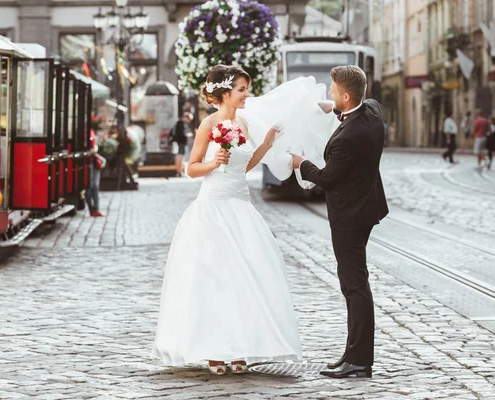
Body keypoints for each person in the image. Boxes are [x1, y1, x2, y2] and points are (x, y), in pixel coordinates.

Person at [152, 65, 302, 376]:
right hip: (212, 208)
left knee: (245, 279)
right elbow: (191, 168)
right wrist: (212, 162)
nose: (247, 95)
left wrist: (266, 144)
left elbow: (244, 167)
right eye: (242, 90)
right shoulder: (208, 123)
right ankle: (214, 353)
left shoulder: (244, 124)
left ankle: (240, 349)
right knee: (213, 281)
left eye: (247, 89)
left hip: (241, 207)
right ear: (224, 94)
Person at [291, 65, 389, 379]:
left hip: (349, 216)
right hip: (366, 208)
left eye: (333, 92)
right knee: (354, 283)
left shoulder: (350, 137)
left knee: (354, 285)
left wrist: (300, 163)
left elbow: (327, 178)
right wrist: (329, 109)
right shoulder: (371, 111)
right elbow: (358, 110)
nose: (330, 94)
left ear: (346, 96)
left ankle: (359, 361)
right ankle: (353, 354)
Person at [85, 129, 105, 217]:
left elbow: (94, 146)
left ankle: (96, 208)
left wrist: (95, 151)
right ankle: (92, 208)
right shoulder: (85, 132)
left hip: (93, 161)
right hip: (88, 161)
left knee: (95, 186)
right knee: (89, 186)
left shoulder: (91, 131)